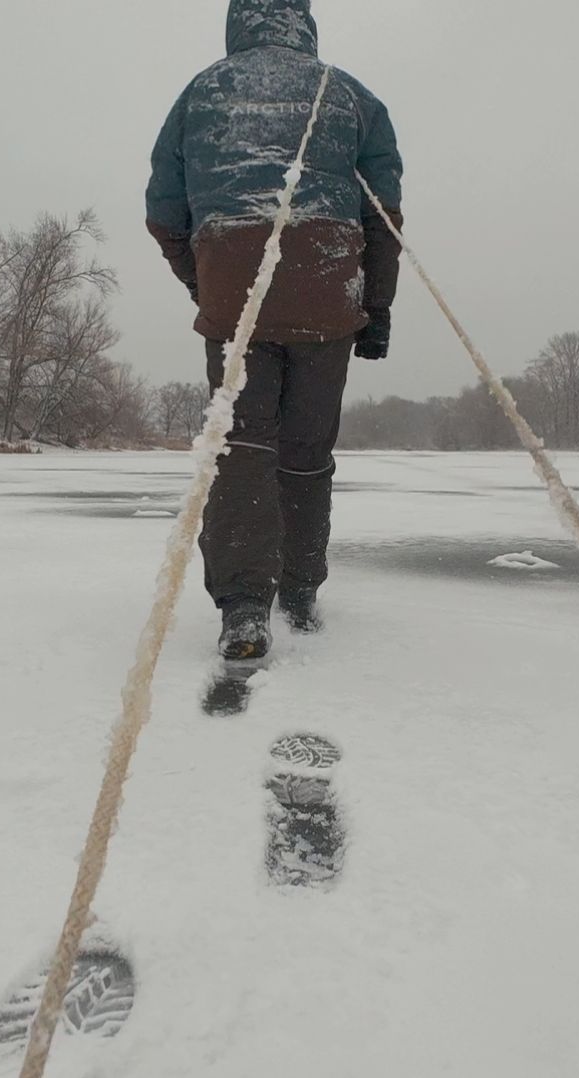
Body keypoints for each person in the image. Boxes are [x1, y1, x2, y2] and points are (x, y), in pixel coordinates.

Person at [144, 0, 404, 660]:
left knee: (241, 447)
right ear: (303, 23)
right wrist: (377, 306)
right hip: (327, 287)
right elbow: (384, 214)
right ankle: (299, 590)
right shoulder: (346, 93)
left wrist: (205, 281)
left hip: (235, 288)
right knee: (307, 450)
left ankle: (243, 609)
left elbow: (164, 211)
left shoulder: (202, 92)